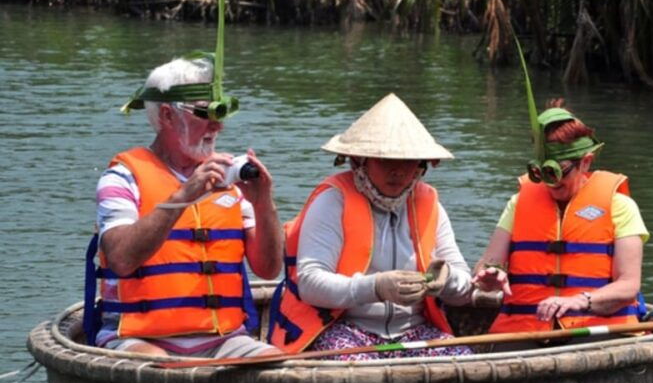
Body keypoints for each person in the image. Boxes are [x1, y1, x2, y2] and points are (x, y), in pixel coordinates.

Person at [83, 55, 283, 358]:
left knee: (278, 366)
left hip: (224, 339)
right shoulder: (123, 177)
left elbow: (268, 269)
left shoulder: (231, 178)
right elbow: (121, 259)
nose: (217, 126)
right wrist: (184, 196)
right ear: (167, 115)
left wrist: (264, 203)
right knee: (161, 368)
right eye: (205, 113)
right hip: (139, 338)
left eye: (221, 113)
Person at [267, 93, 473, 360]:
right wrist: (376, 287)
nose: (397, 171)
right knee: (359, 365)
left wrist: (446, 280)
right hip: (343, 328)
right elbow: (310, 282)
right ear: (358, 161)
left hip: (413, 332)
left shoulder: (429, 203)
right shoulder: (333, 201)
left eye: (407, 161)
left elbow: (464, 288)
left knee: (463, 358)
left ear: (421, 166)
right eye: (385, 160)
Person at [472, 98, 648, 334]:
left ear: (585, 162)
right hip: (526, 328)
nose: (550, 182)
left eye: (558, 171)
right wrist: (489, 276)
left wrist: (580, 300)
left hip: (595, 331)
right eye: (541, 172)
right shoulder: (518, 203)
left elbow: (629, 284)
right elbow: (486, 264)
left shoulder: (620, 206)